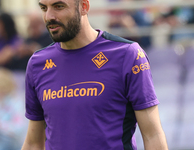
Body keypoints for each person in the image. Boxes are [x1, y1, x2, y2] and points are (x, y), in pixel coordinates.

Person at [22, 0, 168, 150]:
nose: (49, 16)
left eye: (59, 6)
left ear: (84, 6)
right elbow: (33, 143)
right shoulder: (37, 64)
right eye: (43, 8)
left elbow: (153, 135)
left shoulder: (127, 55)